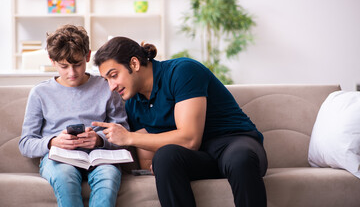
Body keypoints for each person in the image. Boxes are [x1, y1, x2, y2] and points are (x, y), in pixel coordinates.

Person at [92, 36, 268, 207]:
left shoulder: (182, 71)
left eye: (113, 75)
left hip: (233, 143)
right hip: (201, 158)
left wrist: (128, 137)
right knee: (165, 157)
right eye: (107, 80)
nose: (111, 87)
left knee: (239, 158)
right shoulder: (133, 104)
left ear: (134, 64)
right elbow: (148, 160)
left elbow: (190, 139)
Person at [19, 25, 129, 207]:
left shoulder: (106, 86)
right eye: (64, 66)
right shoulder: (40, 93)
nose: (72, 73)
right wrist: (53, 142)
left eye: (77, 64)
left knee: (108, 177)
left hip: (100, 157)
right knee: (65, 178)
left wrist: (99, 140)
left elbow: (124, 132)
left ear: (88, 56)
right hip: (59, 158)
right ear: (52, 61)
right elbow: (25, 144)